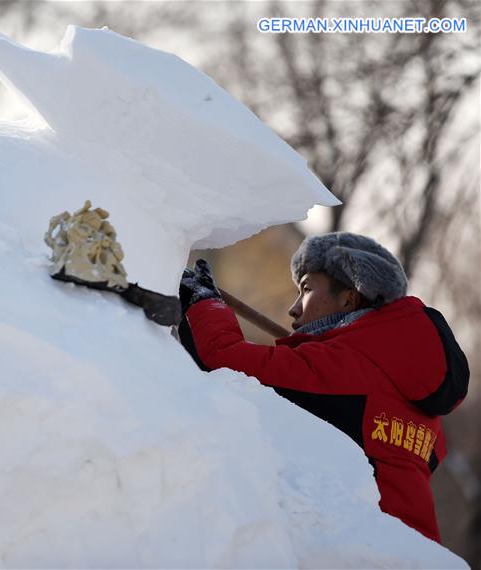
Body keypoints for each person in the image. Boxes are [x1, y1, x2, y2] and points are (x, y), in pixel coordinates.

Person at [177, 232, 470, 543]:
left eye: (306, 289)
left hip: (363, 553)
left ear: (349, 298)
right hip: (419, 554)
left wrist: (203, 302)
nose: (293, 308)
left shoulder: (342, 368)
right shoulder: (424, 411)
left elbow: (223, 361)